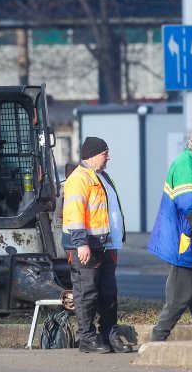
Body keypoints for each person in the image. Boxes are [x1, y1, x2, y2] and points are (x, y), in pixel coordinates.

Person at [147, 126, 192, 341]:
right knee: (181, 295)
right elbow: (189, 203)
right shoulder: (185, 163)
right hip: (184, 243)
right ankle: (157, 339)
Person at [62, 136, 131, 354]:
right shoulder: (79, 179)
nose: (108, 157)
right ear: (92, 155)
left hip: (106, 245)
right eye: (105, 153)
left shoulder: (102, 177)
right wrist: (81, 243)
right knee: (87, 292)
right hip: (87, 246)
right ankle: (87, 339)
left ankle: (110, 334)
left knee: (109, 292)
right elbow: (74, 214)